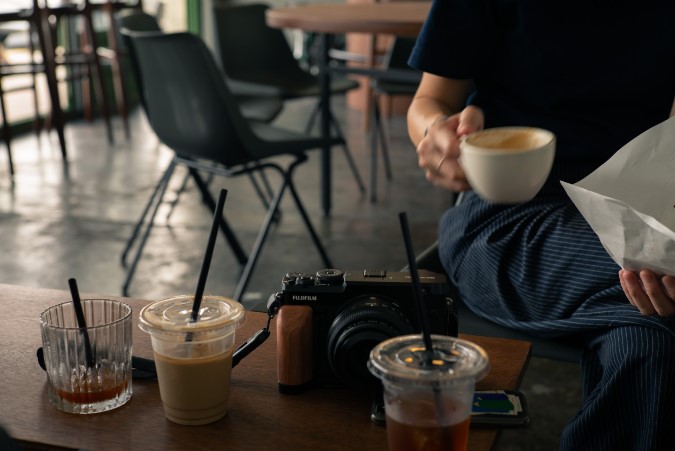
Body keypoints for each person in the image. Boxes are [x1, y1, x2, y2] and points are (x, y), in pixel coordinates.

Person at [407, 1, 675, 450]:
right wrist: (436, 132)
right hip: (508, 215)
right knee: (654, 293)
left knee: (648, 347)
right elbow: (430, 99)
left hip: (635, 210)